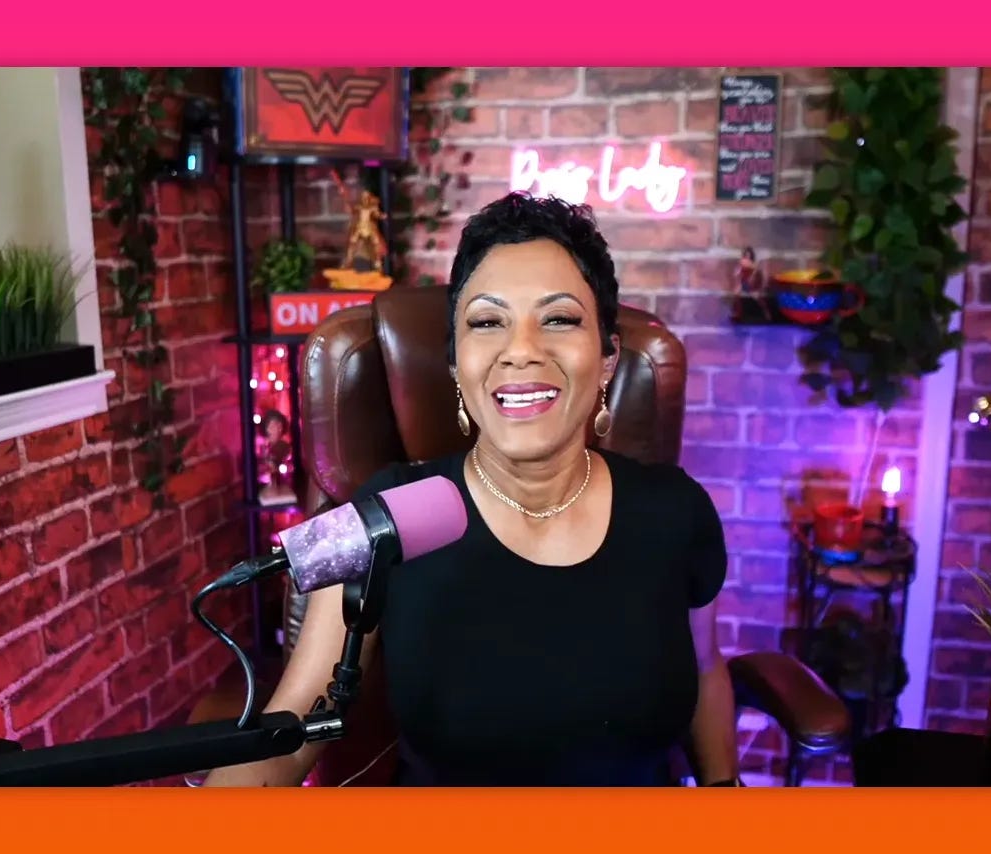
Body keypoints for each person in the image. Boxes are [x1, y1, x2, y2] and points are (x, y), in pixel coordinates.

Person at [204, 192, 735, 787]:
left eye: (559, 319)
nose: (522, 351)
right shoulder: (384, 515)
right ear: (457, 366)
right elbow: (291, 728)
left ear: (608, 357)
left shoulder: (676, 510)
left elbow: (706, 668)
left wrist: (724, 786)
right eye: (487, 322)